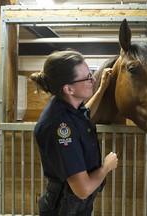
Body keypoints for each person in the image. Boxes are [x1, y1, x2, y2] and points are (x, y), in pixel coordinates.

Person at [30, 49, 118, 216]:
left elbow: (83, 116)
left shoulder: (67, 107)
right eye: (87, 77)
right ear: (68, 89)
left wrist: (101, 90)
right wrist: (106, 166)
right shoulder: (58, 126)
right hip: (64, 208)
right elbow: (82, 189)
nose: (93, 79)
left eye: (91, 73)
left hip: (74, 206)